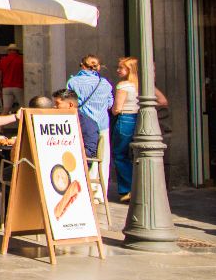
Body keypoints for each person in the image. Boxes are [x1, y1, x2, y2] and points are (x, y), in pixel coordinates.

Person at [109, 56, 167, 201]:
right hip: (140, 118)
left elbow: (117, 109)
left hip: (125, 119)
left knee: (120, 155)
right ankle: (141, 189)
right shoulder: (144, 85)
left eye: (121, 68)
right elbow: (163, 101)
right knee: (138, 154)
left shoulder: (123, 86)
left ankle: (128, 189)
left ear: (129, 70)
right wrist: (144, 106)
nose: (118, 70)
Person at [65, 56, 115, 171]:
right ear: (98, 67)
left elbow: (69, 103)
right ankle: (99, 188)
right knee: (103, 158)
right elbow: (109, 104)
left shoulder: (73, 82)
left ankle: (85, 185)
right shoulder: (105, 83)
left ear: (82, 65)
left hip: (82, 125)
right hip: (102, 124)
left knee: (81, 156)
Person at [0, 44, 25, 110]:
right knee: (24, 108)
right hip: (18, 87)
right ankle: (20, 119)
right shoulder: (21, 60)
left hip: (6, 87)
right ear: (17, 51)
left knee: (6, 109)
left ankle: (0, 120)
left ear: (8, 51)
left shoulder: (3, 61)